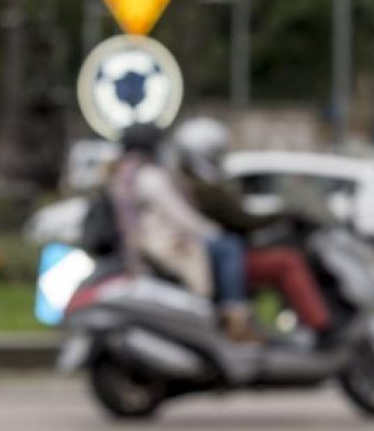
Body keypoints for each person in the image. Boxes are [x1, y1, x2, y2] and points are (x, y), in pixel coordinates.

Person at [167, 118, 333, 337]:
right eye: (216, 153)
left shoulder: (190, 182)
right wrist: (282, 217)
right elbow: (239, 219)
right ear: (202, 153)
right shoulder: (202, 187)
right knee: (288, 262)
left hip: (209, 254)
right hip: (214, 258)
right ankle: (318, 326)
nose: (220, 159)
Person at [107, 123, 257, 340]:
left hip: (147, 243)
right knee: (229, 246)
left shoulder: (123, 174)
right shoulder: (149, 176)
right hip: (163, 245)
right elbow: (180, 215)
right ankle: (234, 315)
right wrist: (213, 232)